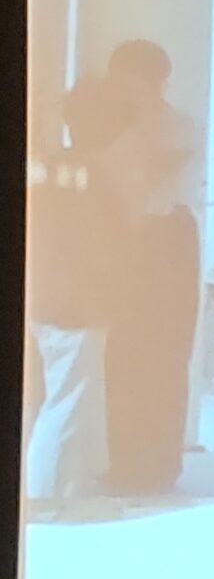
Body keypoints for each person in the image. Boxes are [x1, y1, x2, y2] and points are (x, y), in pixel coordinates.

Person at [102, 40, 201, 494]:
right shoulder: (113, 125)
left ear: (153, 79)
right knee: (123, 354)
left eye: (127, 76)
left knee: (168, 351)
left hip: (169, 238)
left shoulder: (179, 124)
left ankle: (162, 463)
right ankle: (124, 463)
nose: (121, 86)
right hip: (124, 239)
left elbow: (151, 172)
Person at [25, 77, 126, 501]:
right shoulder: (89, 176)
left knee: (69, 405)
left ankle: (66, 493)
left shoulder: (51, 169)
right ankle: (43, 500)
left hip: (47, 299)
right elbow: (99, 246)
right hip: (77, 305)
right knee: (64, 408)